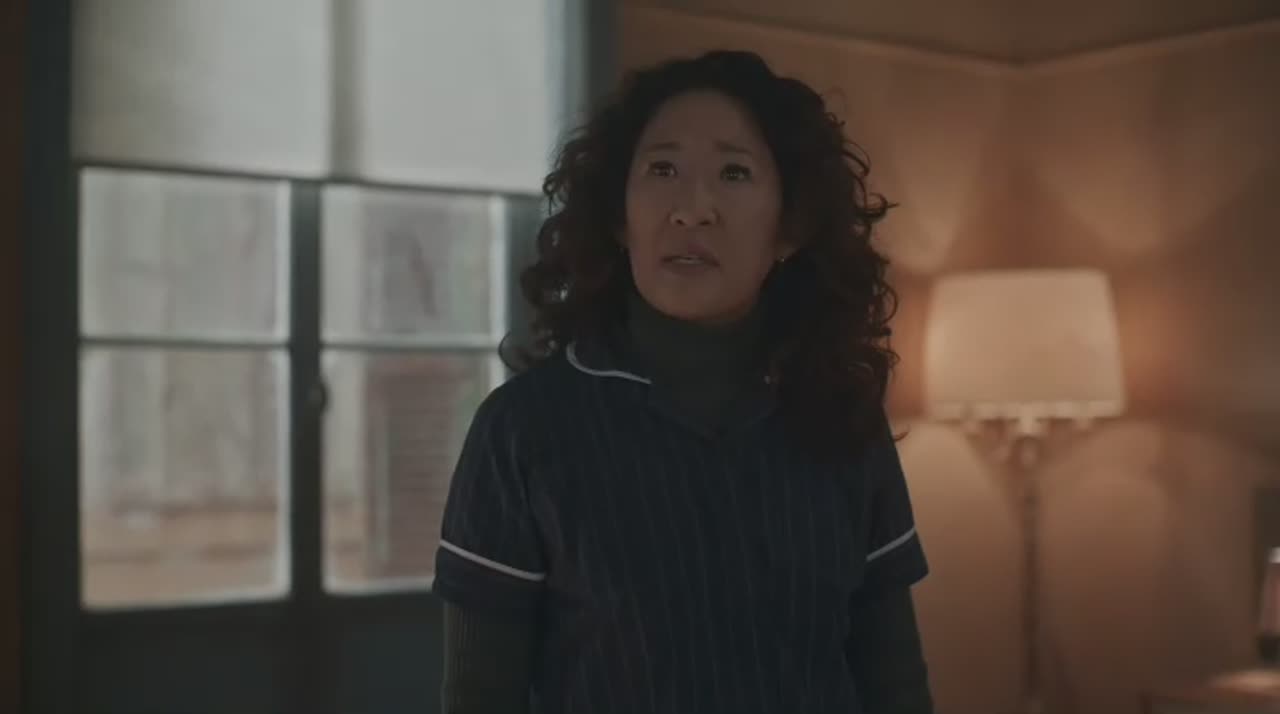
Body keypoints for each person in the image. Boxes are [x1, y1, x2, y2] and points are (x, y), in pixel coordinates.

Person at [433, 49, 933, 714]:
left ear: (789, 226)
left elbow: (896, 686)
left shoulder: (843, 417)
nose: (692, 209)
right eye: (662, 169)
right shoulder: (524, 431)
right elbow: (478, 696)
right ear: (620, 216)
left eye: (734, 173)